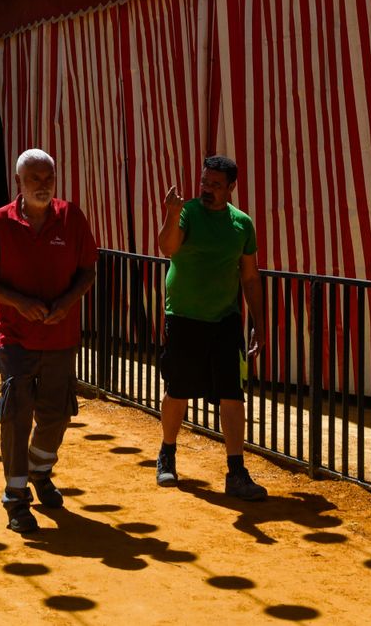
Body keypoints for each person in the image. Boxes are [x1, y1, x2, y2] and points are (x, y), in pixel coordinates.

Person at [0, 149, 97, 535]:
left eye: (48, 177)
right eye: (34, 179)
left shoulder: (71, 217)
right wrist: (20, 303)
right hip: (16, 337)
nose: (43, 185)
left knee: (57, 413)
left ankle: (40, 471)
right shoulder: (0, 222)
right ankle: (15, 497)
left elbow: (88, 270)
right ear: (19, 184)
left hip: (61, 335)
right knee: (16, 413)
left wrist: (67, 302)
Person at [155, 154, 268, 501]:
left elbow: (249, 276)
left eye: (216, 185)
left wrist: (260, 326)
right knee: (178, 390)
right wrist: (172, 215)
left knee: (233, 397)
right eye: (204, 182)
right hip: (184, 316)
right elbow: (168, 248)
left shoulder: (242, 224)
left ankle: (236, 472)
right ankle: (167, 454)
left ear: (232, 187)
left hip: (225, 319)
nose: (207, 189)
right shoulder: (187, 211)